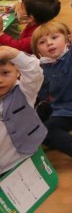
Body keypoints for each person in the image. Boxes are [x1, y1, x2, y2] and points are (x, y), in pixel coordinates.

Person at [0, 45, 45, 176]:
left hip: (26, 157)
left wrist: (12, 53)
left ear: (18, 72)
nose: (0, 80)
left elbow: (34, 71)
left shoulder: (25, 91)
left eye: (5, 73)